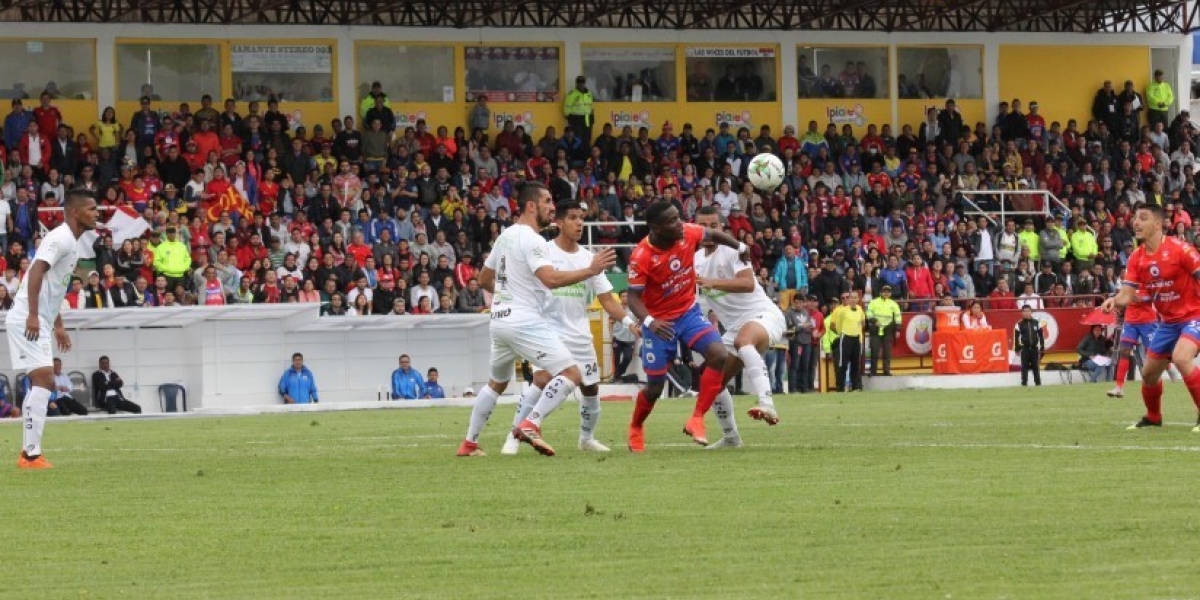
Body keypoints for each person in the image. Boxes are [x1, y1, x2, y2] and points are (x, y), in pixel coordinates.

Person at [457, 182, 615, 458]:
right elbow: (551, 280)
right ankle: (530, 425)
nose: (552, 207)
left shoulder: (505, 236)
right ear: (531, 206)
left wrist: (508, 294)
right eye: (547, 202)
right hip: (523, 321)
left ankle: (469, 443)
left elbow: (483, 280)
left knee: (496, 383)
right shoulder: (534, 240)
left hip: (499, 321)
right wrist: (590, 270)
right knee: (571, 374)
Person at [500, 200, 636, 455]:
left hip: (580, 334)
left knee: (590, 388)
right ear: (559, 222)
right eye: (573, 217)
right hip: (546, 331)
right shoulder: (543, 252)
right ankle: (515, 435)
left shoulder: (589, 258)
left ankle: (586, 438)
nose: (580, 223)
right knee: (541, 379)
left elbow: (607, 299)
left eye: (582, 218)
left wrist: (629, 323)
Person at [624, 201, 747, 452]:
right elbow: (634, 297)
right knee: (655, 386)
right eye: (671, 221)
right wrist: (650, 322)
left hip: (688, 312)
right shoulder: (641, 256)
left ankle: (697, 418)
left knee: (718, 355)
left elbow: (713, 234)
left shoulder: (687, 232)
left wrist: (740, 246)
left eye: (678, 217)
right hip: (659, 322)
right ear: (656, 228)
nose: (679, 223)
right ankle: (636, 426)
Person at [6, 188, 97, 469]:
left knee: (44, 380)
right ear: (75, 212)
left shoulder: (73, 242)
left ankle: (30, 453)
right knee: (44, 379)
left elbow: (53, 287)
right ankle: (30, 455)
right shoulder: (60, 238)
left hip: (41, 319)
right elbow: (35, 272)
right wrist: (33, 315)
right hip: (27, 317)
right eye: (92, 209)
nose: (96, 214)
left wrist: (58, 325)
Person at [693, 205, 786, 447]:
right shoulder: (695, 259)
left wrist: (712, 282)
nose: (708, 230)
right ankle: (731, 437)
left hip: (763, 315)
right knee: (711, 381)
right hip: (734, 326)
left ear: (721, 228)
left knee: (742, 341)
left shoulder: (731, 251)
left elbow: (747, 284)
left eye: (713, 225)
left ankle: (767, 404)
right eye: (702, 225)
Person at [1101, 203, 1200, 430]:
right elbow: (1127, 295)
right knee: (1148, 374)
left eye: (1143, 218)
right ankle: (1154, 417)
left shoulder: (1181, 249)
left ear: (1157, 224)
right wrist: (1114, 301)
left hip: (1194, 315)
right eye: (1135, 218)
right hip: (1167, 323)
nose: (1136, 222)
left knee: (1182, 358)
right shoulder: (1136, 258)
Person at [1108, 288, 1179, 398]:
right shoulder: (1129, 282)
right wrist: (1114, 302)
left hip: (1148, 322)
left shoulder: (1148, 279)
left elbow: (1157, 296)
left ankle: (1169, 368)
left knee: (1154, 353)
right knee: (1124, 351)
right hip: (1130, 321)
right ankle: (1119, 387)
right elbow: (1122, 295)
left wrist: (1143, 298)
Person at [829, 291, 866, 392]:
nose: (853, 300)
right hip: (846, 338)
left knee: (855, 363)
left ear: (858, 299)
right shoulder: (843, 311)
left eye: (855, 298)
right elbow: (838, 325)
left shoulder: (860, 309)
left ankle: (855, 387)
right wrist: (843, 334)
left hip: (856, 338)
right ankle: (840, 387)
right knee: (843, 364)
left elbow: (863, 322)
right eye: (851, 298)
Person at [865, 284, 902, 376]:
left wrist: (897, 329)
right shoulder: (873, 302)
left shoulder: (893, 304)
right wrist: (874, 321)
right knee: (874, 351)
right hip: (875, 328)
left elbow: (898, 317)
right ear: (880, 292)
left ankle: (886, 370)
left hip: (888, 329)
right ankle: (873, 371)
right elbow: (868, 312)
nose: (886, 293)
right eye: (884, 291)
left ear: (890, 293)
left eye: (888, 292)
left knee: (887, 351)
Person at [1013, 305, 1044, 387]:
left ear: (1031, 312)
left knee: (1035, 366)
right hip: (1024, 349)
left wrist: (1042, 348)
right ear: (1022, 313)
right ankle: (1024, 383)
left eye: (1028, 311)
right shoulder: (1019, 324)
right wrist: (1017, 348)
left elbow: (1041, 336)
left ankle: (1038, 383)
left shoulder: (1037, 323)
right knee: (1024, 367)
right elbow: (1016, 337)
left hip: (1034, 348)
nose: (1027, 313)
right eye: (1025, 311)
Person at [611, 290, 638, 381]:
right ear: (619, 298)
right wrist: (611, 334)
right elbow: (610, 322)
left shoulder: (634, 308)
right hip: (617, 337)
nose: (625, 298)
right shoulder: (616, 309)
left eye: (627, 296)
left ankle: (618, 374)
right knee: (616, 359)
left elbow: (639, 320)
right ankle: (616, 377)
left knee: (627, 357)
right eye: (623, 296)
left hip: (630, 339)